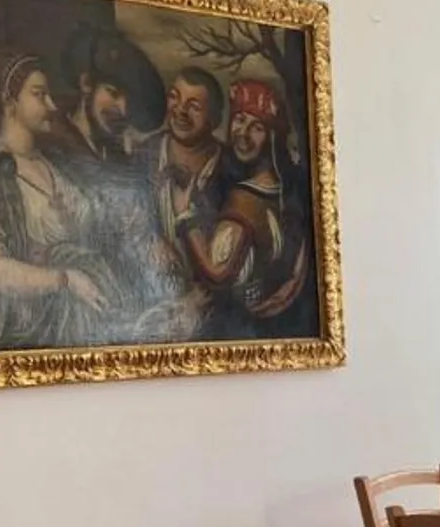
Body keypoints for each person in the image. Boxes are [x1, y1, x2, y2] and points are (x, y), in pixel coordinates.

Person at [0, 53, 124, 352]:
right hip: (34, 337)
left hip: (91, 324)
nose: (52, 106)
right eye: (39, 94)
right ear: (9, 102)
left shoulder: (59, 166)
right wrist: (64, 279)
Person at [178, 80, 310, 330]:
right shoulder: (281, 190)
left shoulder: (245, 199)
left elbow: (217, 273)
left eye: (257, 127)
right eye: (239, 120)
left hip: (240, 325)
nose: (243, 133)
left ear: (272, 138)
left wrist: (185, 217)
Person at [136, 67, 228, 259]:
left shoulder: (229, 167)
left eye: (194, 106)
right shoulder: (143, 155)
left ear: (214, 119)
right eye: (174, 97)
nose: (181, 110)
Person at [41, 27, 165, 167]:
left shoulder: (118, 158)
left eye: (131, 101)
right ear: (87, 84)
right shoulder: (53, 146)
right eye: (113, 93)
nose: (123, 109)